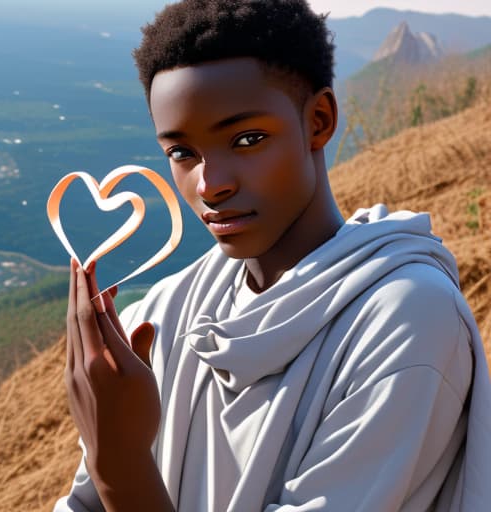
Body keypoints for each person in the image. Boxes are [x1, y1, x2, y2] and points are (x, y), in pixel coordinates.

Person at [54, 1, 491, 511]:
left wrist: (120, 462)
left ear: (319, 121)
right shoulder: (164, 315)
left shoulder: (406, 320)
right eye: (182, 153)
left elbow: (112, 481)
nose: (210, 185)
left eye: (247, 139)